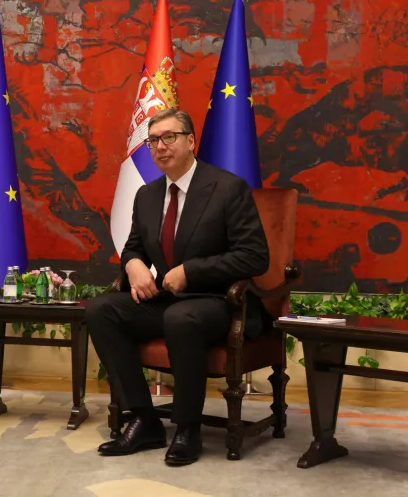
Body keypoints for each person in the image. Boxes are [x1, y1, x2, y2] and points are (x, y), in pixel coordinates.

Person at [86, 108, 270, 466]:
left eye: (169, 137)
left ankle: (188, 429)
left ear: (190, 141)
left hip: (218, 301)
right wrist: (133, 263)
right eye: (154, 140)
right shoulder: (148, 195)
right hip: (170, 300)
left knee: (182, 318)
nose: (160, 147)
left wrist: (191, 271)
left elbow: (254, 257)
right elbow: (135, 246)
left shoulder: (227, 188)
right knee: (101, 310)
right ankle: (143, 418)